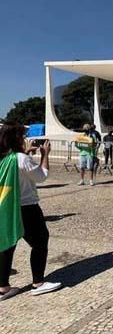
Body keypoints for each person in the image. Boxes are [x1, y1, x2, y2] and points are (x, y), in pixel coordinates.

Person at [0, 123, 62, 301]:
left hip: (4, 206)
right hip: (26, 207)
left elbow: (14, 167)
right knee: (40, 242)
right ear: (16, 138)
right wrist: (45, 155)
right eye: (22, 136)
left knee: (6, 245)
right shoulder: (20, 158)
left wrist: (26, 154)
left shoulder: (6, 157)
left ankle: (3, 287)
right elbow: (41, 175)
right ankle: (38, 283)